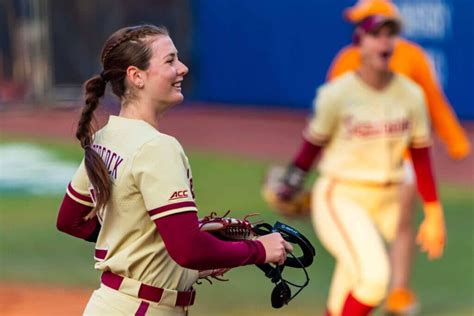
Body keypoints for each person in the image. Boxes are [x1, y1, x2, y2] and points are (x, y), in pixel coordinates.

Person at [56, 24, 292, 316]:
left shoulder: (108, 136)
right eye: (169, 60)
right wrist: (260, 250)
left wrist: (153, 251)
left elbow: (70, 220)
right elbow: (189, 250)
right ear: (136, 76)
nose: (182, 68)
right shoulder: (156, 147)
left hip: (112, 304)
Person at [277, 14, 446, 316]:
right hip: (342, 195)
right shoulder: (337, 94)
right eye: (376, 34)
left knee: (348, 289)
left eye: (390, 34)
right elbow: (311, 147)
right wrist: (291, 182)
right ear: (360, 44)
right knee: (374, 279)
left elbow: (420, 153)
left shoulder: (411, 94)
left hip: (385, 202)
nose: (385, 40)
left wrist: (433, 211)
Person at [326, 1, 470, 314]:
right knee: (360, 234)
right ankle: (358, 291)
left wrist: (455, 138)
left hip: (401, 158)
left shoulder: (410, 56)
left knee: (402, 226)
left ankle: (399, 290)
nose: (359, 26)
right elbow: (332, 112)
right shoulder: (347, 60)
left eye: (365, 20)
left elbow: (432, 98)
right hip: (358, 166)